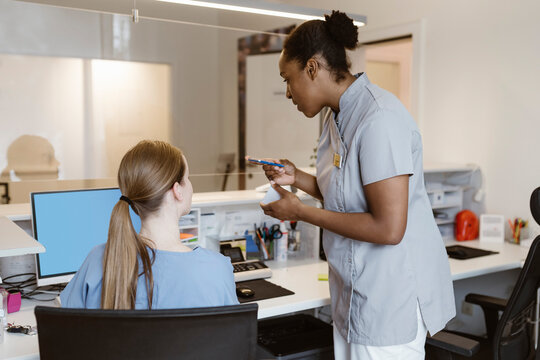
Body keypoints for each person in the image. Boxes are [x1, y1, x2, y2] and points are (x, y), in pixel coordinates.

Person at [258, 10, 455, 359]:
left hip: (390, 298)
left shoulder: (379, 119)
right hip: (357, 293)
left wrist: (300, 213)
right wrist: (297, 178)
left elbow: (389, 227)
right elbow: (348, 191)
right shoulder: (336, 117)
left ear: (313, 68)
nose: (288, 93)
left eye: (288, 79)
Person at [61, 140, 238, 309]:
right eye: (187, 178)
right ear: (177, 191)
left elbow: (67, 329)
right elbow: (232, 335)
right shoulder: (216, 269)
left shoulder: (97, 261)